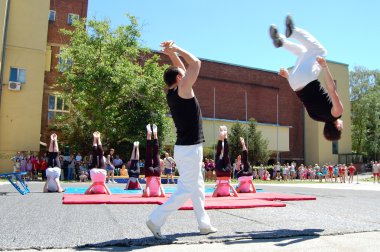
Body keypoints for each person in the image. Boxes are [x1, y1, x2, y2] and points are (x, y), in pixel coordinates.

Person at [147, 41, 216, 239]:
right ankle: (156, 219)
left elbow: (183, 70)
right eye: (182, 75)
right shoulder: (184, 89)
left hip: (183, 148)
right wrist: (176, 49)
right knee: (186, 188)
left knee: (198, 185)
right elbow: (196, 63)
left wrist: (170, 54)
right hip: (191, 148)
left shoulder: (172, 92)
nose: (185, 75)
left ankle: (204, 224)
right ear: (179, 78)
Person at [269, 15, 344, 141]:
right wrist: (288, 76)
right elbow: (304, 95)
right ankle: (281, 41)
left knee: (321, 51)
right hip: (294, 83)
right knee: (304, 51)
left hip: (307, 79)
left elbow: (332, 89)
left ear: (338, 127)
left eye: (342, 128)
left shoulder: (337, 112)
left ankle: (293, 31)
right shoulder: (315, 117)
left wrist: (325, 67)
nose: (343, 125)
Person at [212, 126, 238, 197]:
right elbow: (214, 196)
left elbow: (236, 195)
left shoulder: (228, 194)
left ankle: (225, 136)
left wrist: (231, 186)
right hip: (222, 173)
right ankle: (222, 137)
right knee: (219, 154)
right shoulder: (225, 194)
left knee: (225, 154)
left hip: (225, 174)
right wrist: (220, 186)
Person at [142, 124, 166, 197]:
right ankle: (149, 134)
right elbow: (147, 195)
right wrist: (147, 186)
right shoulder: (149, 192)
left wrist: (160, 184)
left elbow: (163, 195)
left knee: (156, 153)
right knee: (148, 154)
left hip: (157, 173)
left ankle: (155, 135)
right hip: (149, 173)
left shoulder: (157, 194)